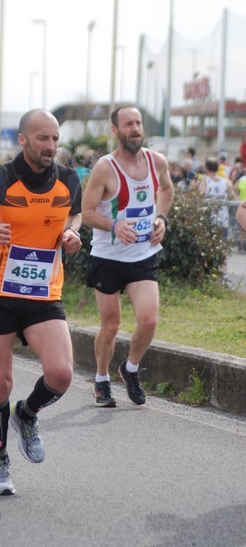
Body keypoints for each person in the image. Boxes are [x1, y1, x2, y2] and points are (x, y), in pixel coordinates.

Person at [0, 108, 82, 495]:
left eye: (56, 139)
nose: (51, 146)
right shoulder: (0, 177)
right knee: (1, 381)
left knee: (61, 374)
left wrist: (71, 235)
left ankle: (26, 415)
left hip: (44, 290)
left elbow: (74, 217)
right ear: (23, 139)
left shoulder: (68, 179)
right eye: (43, 138)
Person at [82, 104, 173, 408]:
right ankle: (101, 379)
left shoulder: (156, 161)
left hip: (142, 255)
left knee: (148, 320)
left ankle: (130, 369)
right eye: (128, 124)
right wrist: (114, 225)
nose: (135, 128)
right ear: (115, 131)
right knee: (111, 325)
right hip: (108, 256)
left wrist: (161, 219)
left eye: (138, 123)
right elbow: (87, 213)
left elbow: (167, 191)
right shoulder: (105, 168)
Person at [198, 157, 234, 238]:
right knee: (223, 246)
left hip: (209, 220)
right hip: (223, 220)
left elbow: (200, 194)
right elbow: (232, 197)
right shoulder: (227, 182)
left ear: (206, 168)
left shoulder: (205, 180)